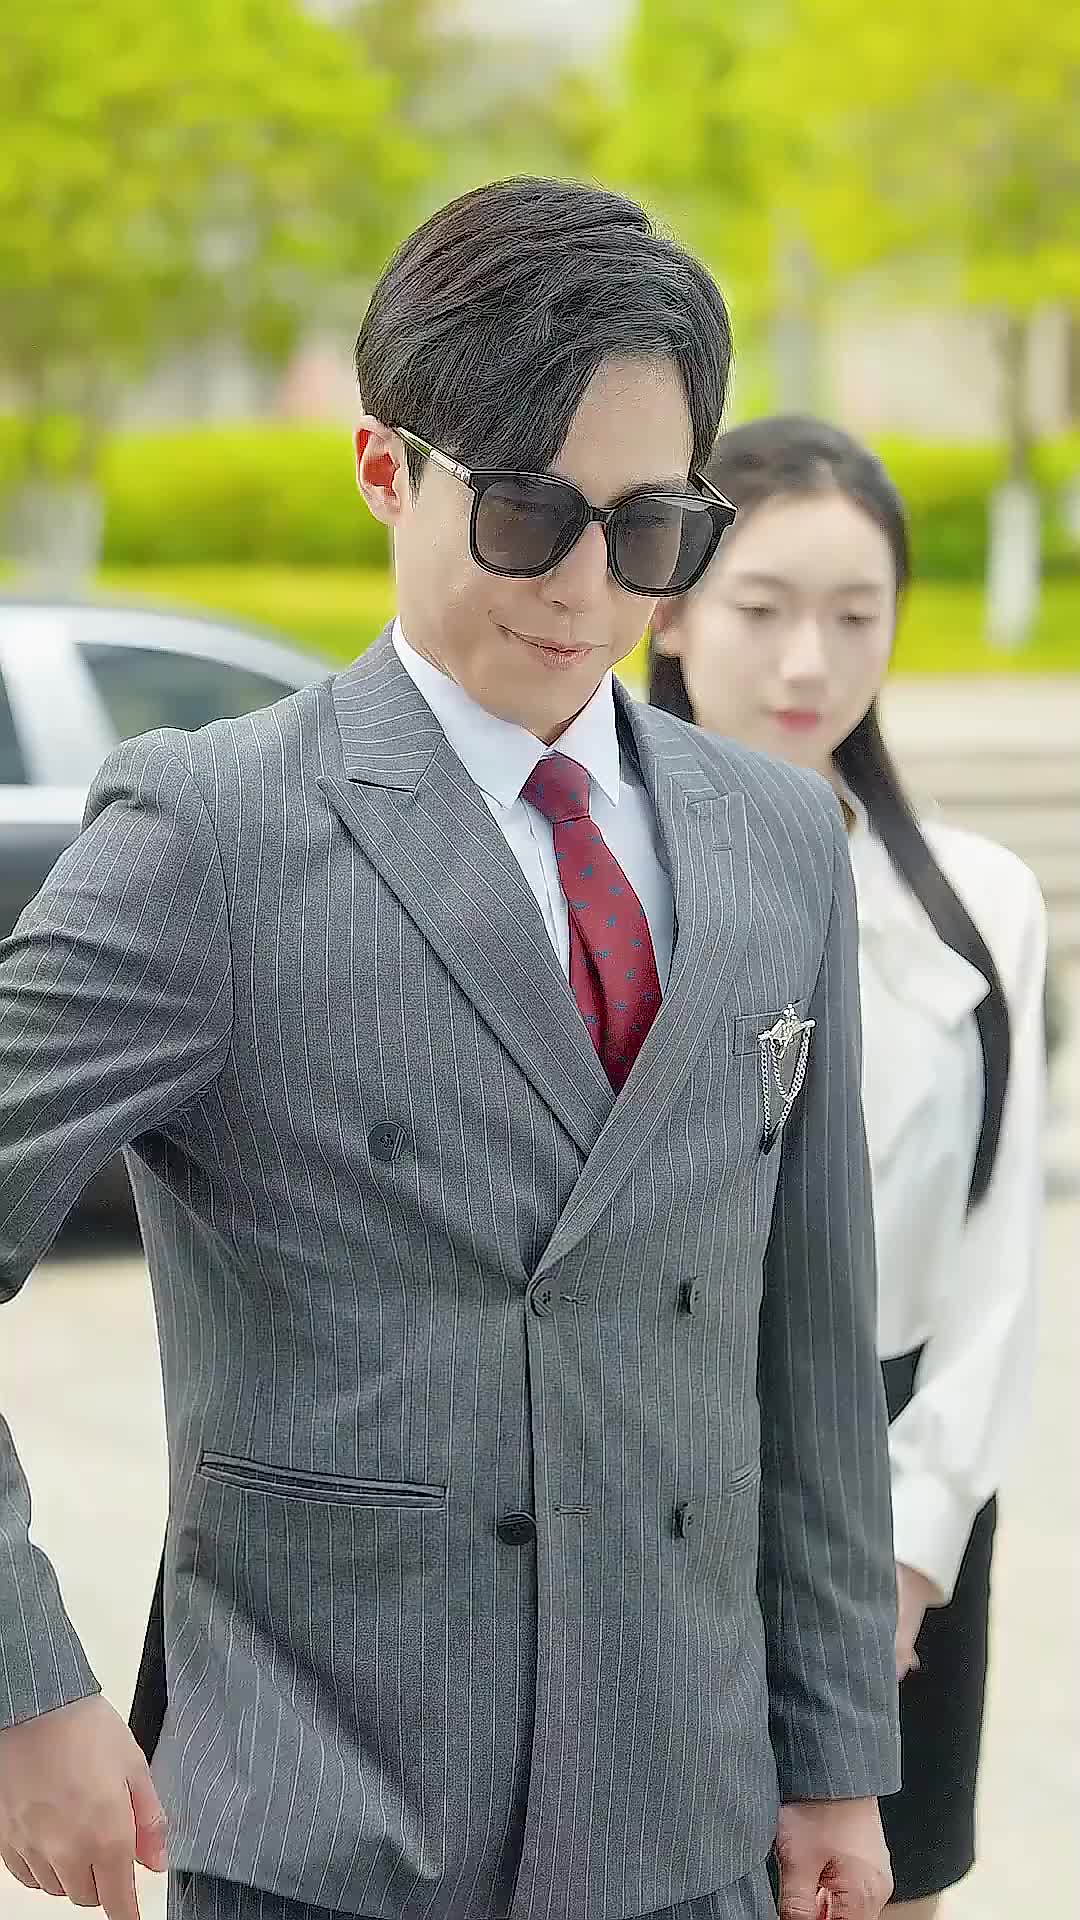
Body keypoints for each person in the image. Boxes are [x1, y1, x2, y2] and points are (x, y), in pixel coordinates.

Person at [0, 183, 899, 1920]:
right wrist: (26, 1685)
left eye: (648, 529)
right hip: (330, 1821)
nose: (583, 589)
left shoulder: (780, 838)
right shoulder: (210, 836)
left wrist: (834, 1754)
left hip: (689, 1817)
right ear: (382, 469)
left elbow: (809, 1343)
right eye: (525, 513)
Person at [648, 415, 1047, 1916]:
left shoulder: (981, 906)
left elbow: (999, 1260)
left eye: (855, 616)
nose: (807, 663)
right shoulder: (597, 885)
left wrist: (913, 1550)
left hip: (900, 1484)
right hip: (658, 1460)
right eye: (761, 609)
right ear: (670, 608)